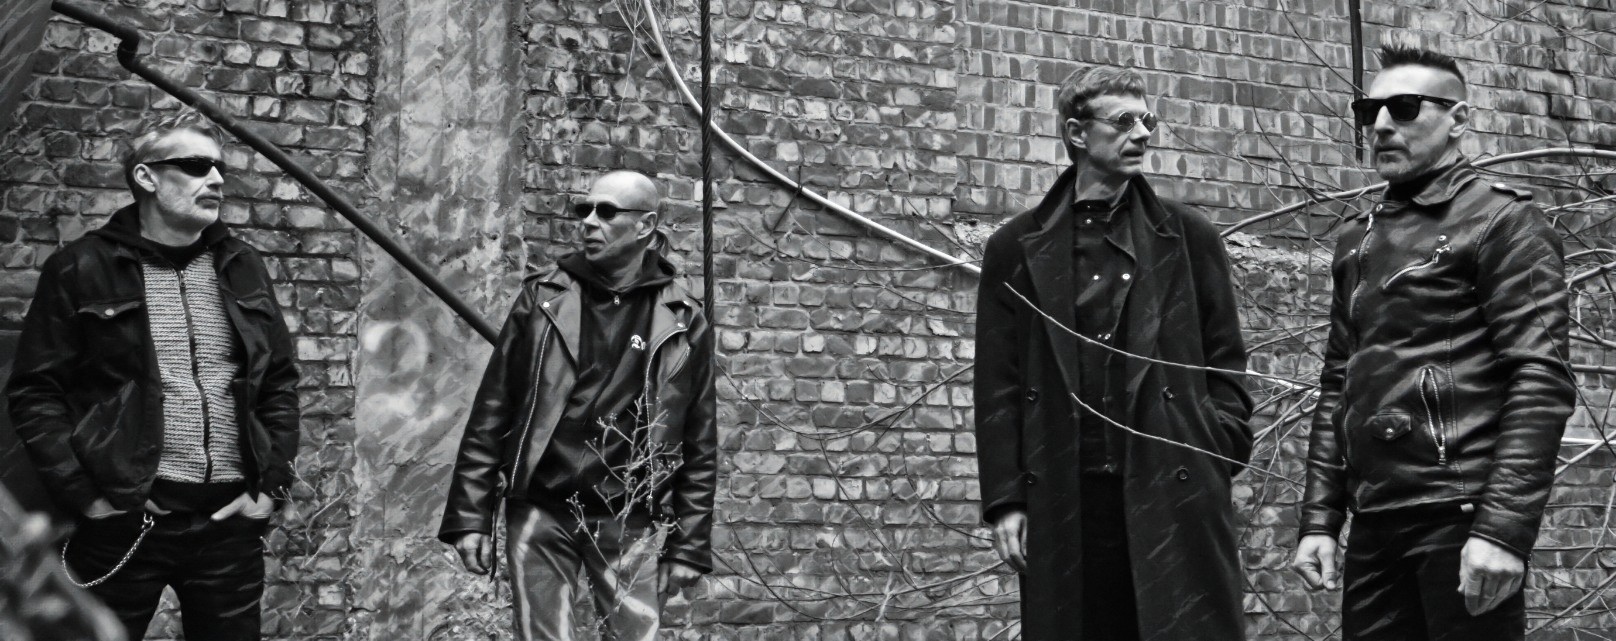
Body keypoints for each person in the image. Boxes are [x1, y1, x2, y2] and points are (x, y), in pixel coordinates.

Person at [1292, 43, 1576, 641]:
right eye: (1368, 110)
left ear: (1459, 120)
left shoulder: (1503, 222)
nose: (1381, 125)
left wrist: (1502, 529)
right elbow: (1338, 382)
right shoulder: (1358, 238)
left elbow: (1540, 377)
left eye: (1404, 107)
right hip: (1376, 516)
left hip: (1460, 514)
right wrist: (1320, 517)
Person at [973, 64, 1255, 641]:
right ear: (1078, 134)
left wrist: (1214, 447)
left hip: (1172, 485)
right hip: (1066, 495)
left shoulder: (1189, 236)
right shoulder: (1015, 248)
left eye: (1147, 119)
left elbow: (1225, 359)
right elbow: (998, 384)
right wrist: (1005, 499)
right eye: (1124, 121)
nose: (1143, 133)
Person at [6, 109, 300, 640]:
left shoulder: (242, 265)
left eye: (220, 168)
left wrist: (271, 487)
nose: (216, 179)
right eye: (196, 166)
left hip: (228, 527)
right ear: (146, 177)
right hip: (125, 521)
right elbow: (35, 391)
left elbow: (278, 381)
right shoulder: (81, 267)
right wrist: (89, 498)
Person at [439, 170, 717, 641]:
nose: (588, 222)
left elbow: (699, 439)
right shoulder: (543, 298)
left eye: (606, 212)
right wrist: (470, 516)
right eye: (584, 210)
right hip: (541, 511)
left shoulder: (683, 319)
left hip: (629, 519)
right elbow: (493, 408)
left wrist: (688, 545)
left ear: (646, 225)